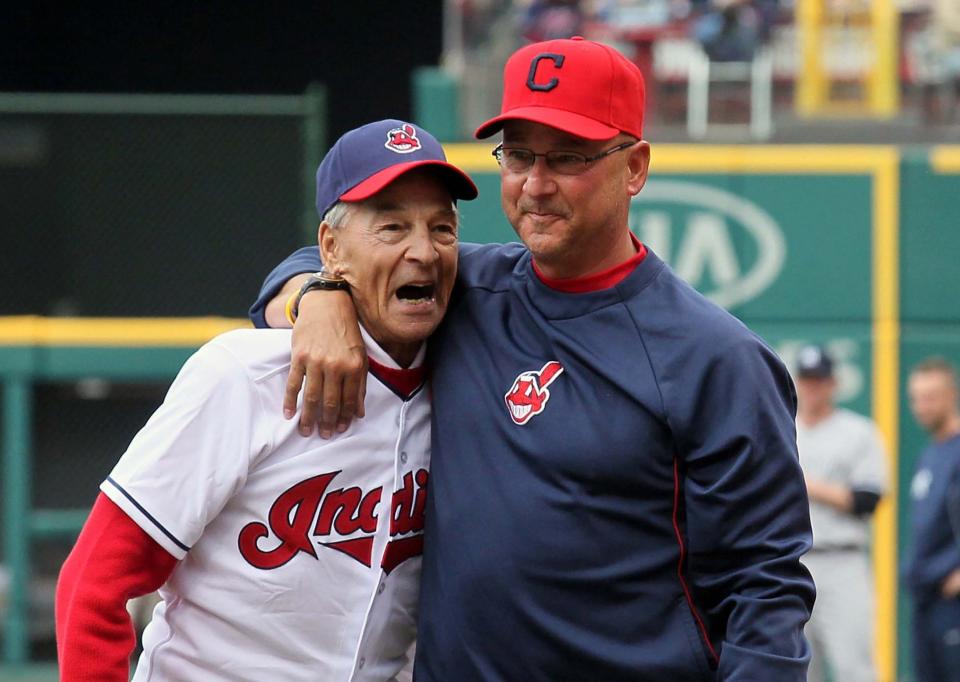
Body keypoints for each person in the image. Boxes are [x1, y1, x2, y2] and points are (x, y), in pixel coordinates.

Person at [252, 37, 815, 680]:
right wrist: (317, 296)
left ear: (634, 167)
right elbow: (325, 258)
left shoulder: (716, 359)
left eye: (567, 157)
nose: (535, 185)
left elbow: (766, 591)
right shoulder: (463, 289)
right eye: (517, 155)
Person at [55, 119, 477, 681]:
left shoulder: (468, 381)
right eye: (392, 226)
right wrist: (312, 294)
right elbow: (94, 584)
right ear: (330, 247)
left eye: (442, 229)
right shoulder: (244, 374)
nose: (422, 251)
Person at [793, 344, 886, 682]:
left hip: (842, 561)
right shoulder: (784, 429)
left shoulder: (858, 432)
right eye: (806, 379)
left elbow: (868, 499)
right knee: (798, 668)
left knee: (854, 668)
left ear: (833, 384)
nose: (812, 387)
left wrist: (805, 484)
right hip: (794, 563)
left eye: (819, 380)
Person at [904, 356, 960, 682]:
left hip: (952, 601)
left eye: (930, 397)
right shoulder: (930, 453)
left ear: (951, 395)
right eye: (915, 398)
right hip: (926, 597)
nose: (921, 406)